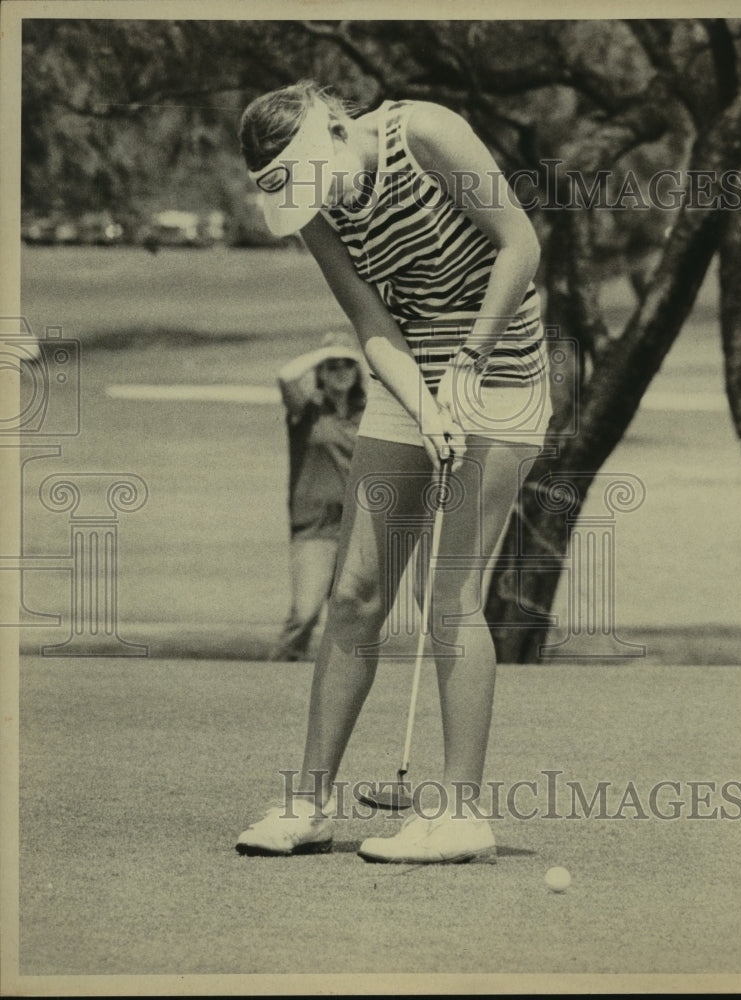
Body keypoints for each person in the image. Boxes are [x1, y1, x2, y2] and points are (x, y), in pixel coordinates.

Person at [236, 80, 552, 863]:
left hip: (501, 369)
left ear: (337, 129)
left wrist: (470, 364)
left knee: (446, 595)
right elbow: (369, 317)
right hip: (407, 374)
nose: (319, 198)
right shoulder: (311, 204)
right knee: (354, 594)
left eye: (318, 176)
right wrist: (423, 404)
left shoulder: (430, 133)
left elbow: (519, 244)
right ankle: (308, 805)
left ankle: (460, 814)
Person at [271, 331, 366, 662]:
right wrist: (324, 353)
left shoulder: (367, 412)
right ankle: (277, 671)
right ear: (321, 372)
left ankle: (335, 687)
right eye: (332, 366)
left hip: (357, 525)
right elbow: (285, 376)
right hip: (314, 526)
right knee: (306, 612)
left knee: (350, 614)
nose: (340, 372)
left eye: (346, 366)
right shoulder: (307, 411)